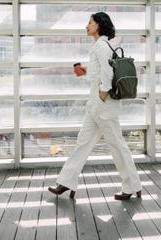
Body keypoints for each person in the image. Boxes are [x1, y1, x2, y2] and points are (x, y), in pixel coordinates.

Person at [48, 12, 142, 201]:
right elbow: (101, 70)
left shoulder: (101, 46)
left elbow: (107, 77)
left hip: (103, 106)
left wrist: (100, 97)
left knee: (117, 145)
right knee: (83, 143)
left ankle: (132, 186)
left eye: (90, 23)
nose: (86, 26)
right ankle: (66, 182)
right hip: (96, 106)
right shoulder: (101, 46)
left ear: (99, 25)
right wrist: (86, 71)